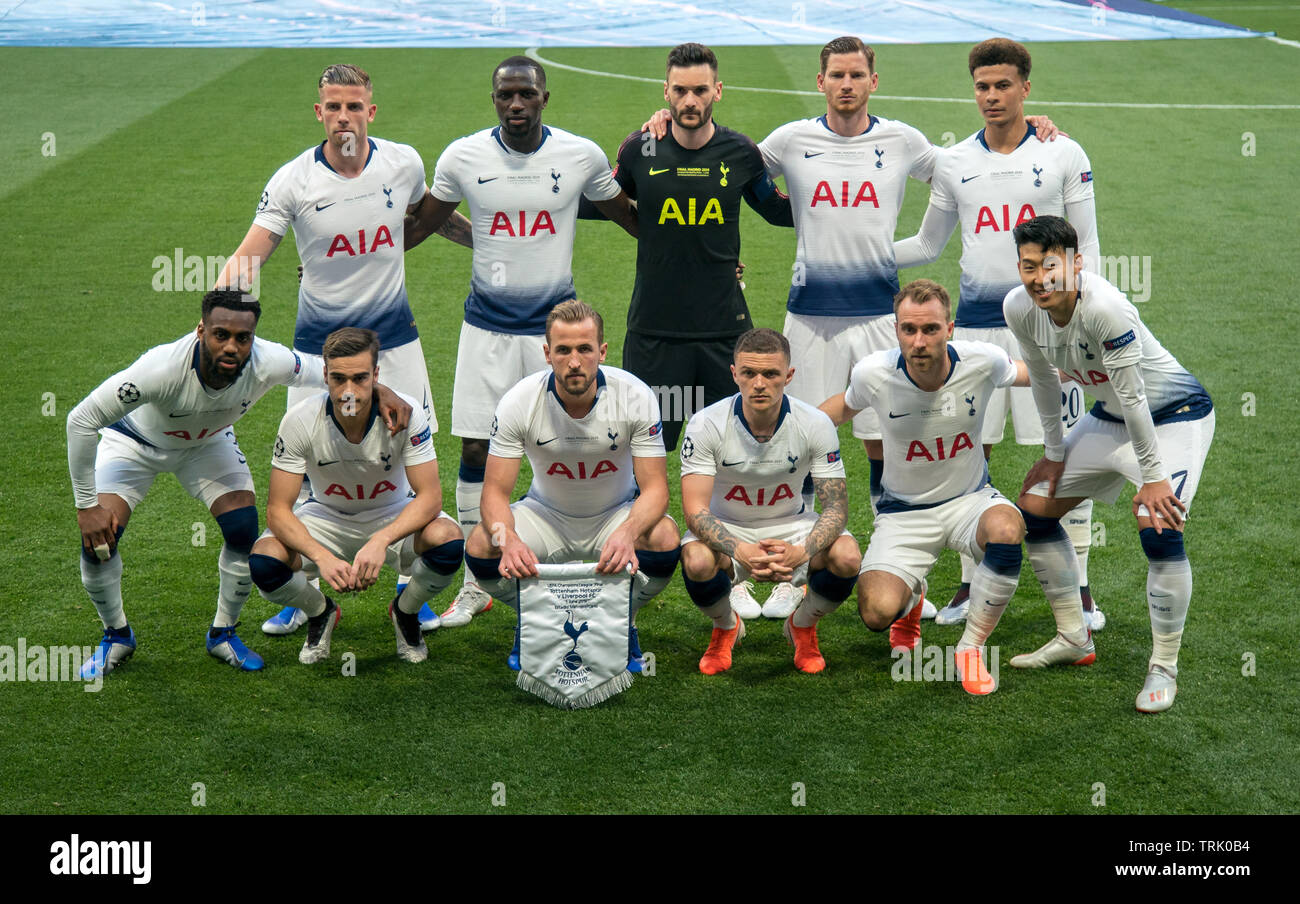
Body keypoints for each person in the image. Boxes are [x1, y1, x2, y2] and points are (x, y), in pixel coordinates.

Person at [213, 63, 471, 636]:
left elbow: (427, 216)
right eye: (334, 106)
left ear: (370, 111)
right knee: (304, 468)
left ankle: (411, 588)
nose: (344, 116)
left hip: (396, 343)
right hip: (317, 355)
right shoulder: (293, 182)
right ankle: (297, 588)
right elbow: (250, 257)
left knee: (412, 456)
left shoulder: (402, 163)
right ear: (319, 112)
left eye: (355, 106)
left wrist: (487, 239)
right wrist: (214, 322)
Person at [405, 56, 639, 631]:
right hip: (485, 330)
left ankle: (579, 545)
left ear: (544, 99)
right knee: (477, 452)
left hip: (558, 338)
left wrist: (702, 255)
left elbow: (633, 218)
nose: (516, 104)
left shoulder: (578, 155)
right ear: (494, 100)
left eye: (525, 95)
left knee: (570, 445)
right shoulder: (463, 157)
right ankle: (472, 582)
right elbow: (423, 222)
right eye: (506, 95)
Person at [65, 290, 411, 679]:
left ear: (253, 338)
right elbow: (80, 420)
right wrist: (86, 505)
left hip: (207, 443)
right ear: (201, 331)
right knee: (99, 543)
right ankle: (116, 635)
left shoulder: (270, 361)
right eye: (220, 335)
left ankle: (223, 632)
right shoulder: (160, 369)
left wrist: (382, 391)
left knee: (243, 528)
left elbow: (332, 372)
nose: (231, 346)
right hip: (134, 444)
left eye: (242, 338)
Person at [893, 38, 1104, 630]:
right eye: (983, 86)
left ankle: (1080, 591)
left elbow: (1087, 248)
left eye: (1003, 85)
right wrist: (855, 249)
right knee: (966, 455)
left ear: (1025, 88)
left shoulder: (1063, 153)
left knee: (1069, 460)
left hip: (1051, 332)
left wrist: (1084, 324)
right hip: (979, 335)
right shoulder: (954, 161)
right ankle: (967, 587)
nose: (991, 96)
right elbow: (927, 245)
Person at [1004, 216, 1214, 713]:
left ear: (1076, 264)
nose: (1040, 279)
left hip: (1174, 418)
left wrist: (1155, 477)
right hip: (1108, 417)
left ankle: (1164, 666)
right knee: (1032, 510)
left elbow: (1134, 395)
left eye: (1050, 266)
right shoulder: (1019, 308)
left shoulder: (1105, 308)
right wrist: (1054, 456)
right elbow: (1043, 382)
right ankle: (1074, 637)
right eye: (1029, 267)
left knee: (1160, 528)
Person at [819, 279, 1050, 695]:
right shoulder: (874, 373)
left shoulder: (984, 360)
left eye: (930, 329)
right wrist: (783, 434)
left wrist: (1090, 371)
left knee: (1007, 529)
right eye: (909, 329)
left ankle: (970, 648)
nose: (919, 341)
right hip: (903, 514)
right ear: (896, 331)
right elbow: (837, 410)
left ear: (950, 328)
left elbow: (1031, 374)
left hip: (971, 500)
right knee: (875, 613)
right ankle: (909, 603)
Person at [460, 301, 680, 671]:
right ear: (547, 353)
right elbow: (495, 492)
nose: (574, 361)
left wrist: (627, 532)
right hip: (546, 516)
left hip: (615, 514)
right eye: (563, 350)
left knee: (664, 537)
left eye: (584, 349)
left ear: (602, 352)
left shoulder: (635, 396)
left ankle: (621, 620)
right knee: (484, 543)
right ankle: (537, 619)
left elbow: (656, 488)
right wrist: (509, 538)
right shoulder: (518, 401)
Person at [600, 43, 793, 457]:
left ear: (718, 91)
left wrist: (844, 204)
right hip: (656, 334)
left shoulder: (741, 152)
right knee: (649, 451)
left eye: (701, 90)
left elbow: (778, 211)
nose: (691, 100)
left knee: (734, 449)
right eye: (681, 90)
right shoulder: (641, 149)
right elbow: (602, 201)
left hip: (723, 333)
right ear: (665, 92)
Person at [247, 328, 463, 665]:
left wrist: (382, 540)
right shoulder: (300, 421)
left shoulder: (406, 415)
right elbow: (277, 510)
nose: (349, 391)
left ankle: (405, 612)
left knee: (447, 541)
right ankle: (320, 612)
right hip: (325, 517)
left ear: (376, 376)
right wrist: (321, 557)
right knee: (264, 562)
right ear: (325, 376)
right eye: (339, 379)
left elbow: (430, 498)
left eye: (360, 378)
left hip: (393, 514)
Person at [679, 328, 861, 675]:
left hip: (792, 525)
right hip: (727, 525)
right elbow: (695, 511)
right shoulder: (705, 424)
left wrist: (802, 551)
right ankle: (725, 626)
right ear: (734, 374)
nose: (759, 383)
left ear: (788, 376)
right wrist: (741, 550)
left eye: (770, 374)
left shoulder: (816, 423)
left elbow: (836, 508)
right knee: (697, 561)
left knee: (847, 557)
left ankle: (803, 625)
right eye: (749, 373)